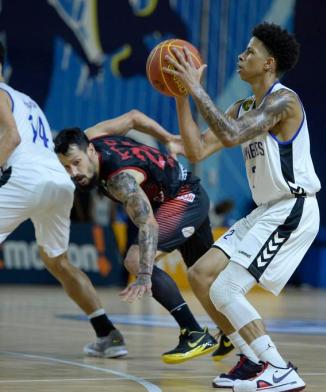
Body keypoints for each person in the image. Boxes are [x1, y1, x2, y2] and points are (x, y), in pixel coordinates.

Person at [164, 22, 320, 391]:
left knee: (227, 289)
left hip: (292, 209)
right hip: (266, 210)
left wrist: (199, 88)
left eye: (250, 52)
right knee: (201, 275)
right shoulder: (243, 106)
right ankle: (250, 358)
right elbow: (197, 149)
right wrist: (181, 95)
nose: (241, 55)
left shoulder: (284, 101)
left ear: (268, 64)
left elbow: (232, 136)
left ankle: (279, 368)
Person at [53, 115, 222, 364]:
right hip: (178, 192)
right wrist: (167, 138)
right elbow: (133, 117)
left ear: (90, 149)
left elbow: (148, 223)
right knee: (205, 276)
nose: (74, 173)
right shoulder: (93, 132)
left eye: (77, 163)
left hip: (182, 198)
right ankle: (230, 334)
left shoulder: (120, 180)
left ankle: (194, 332)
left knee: (134, 260)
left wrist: (143, 274)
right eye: (67, 167)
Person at [0, 41, 126, 359]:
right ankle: (107, 333)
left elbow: (11, 138)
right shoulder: (26, 100)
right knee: (57, 261)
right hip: (58, 182)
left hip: (25, 177)